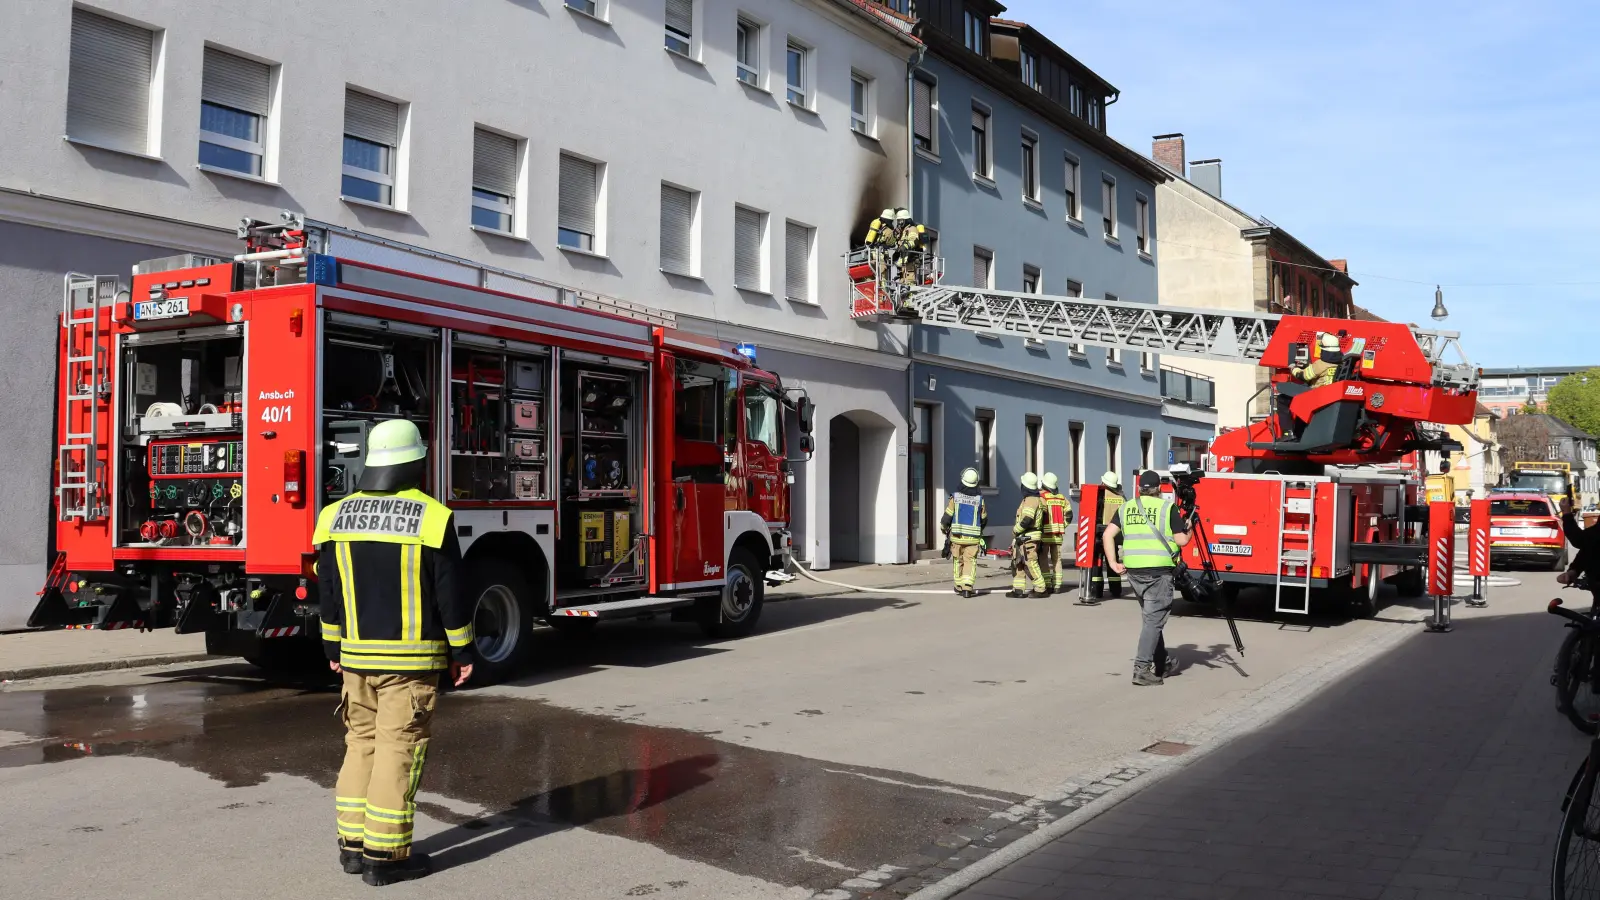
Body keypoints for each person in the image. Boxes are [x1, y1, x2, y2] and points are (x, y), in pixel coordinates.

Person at [314, 419, 476, 886]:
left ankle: (352, 848)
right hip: (409, 665)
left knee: (360, 745)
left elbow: (330, 593)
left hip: (355, 660)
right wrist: (462, 650)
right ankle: (384, 860)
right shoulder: (432, 518)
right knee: (398, 750)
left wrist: (332, 646)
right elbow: (450, 594)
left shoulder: (334, 517)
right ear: (415, 462)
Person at [1102, 469, 1192, 686]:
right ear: (1160, 489)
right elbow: (1181, 541)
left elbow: (1108, 535)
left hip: (1134, 572)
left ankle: (1163, 662)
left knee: (1152, 618)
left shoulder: (1126, 507)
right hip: (1158, 573)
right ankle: (1141, 669)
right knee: (1153, 620)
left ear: (1140, 489)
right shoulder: (1166, 507)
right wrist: (1190, 529)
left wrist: (1114, 563)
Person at [1278, 332, 1343, 436]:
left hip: (1316, 396)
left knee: (1283, 399)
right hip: (1330, 396)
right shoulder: (1341, 363)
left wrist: (1293, 368)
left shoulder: (1321, 364)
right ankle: (1299, 433)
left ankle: (1287, 433)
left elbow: (1303, 376)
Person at [941, 467, 989, 598]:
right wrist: (980, 530)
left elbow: (947, 516)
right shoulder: (979, 500)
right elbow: (984, 519)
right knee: (970, 561)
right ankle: (967, 587)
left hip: (957, 537)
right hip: (973, 539)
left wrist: (943, 528)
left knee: (958, 561)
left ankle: (958, 585)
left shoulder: (955, 497)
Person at [1083, 471, 1124, 605]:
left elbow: (1094, 513)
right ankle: (1116, 589)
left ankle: (1096, 590)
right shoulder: (1121, 497)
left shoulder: (1101, 495)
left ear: (1104, 482)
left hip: (1100, 533)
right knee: (1113, 560)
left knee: (1097, 562)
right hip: (1116, 534)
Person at [1008, 472, 1047, 598]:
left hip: (1028, 536)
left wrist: (1015, 530)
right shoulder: (1036, 499)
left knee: (1031, 562)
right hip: (1024, 537)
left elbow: (1027, 520)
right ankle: (1018, 589)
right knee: (1019, 562)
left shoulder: (1031, 500)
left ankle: (1041, 589)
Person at [1037, 472, 1072, 596]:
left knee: (1043, 558)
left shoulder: (1042, 497)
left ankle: (1047, 583)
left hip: (1045, 534)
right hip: (1057, 535)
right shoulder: (1062, 498)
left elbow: (1039, 516)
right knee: (1057, 560)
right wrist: (1063, 526)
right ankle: (1057, 584)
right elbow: (1069, 515)